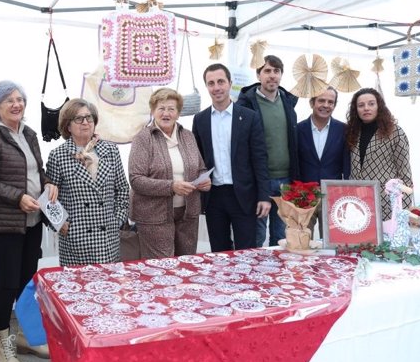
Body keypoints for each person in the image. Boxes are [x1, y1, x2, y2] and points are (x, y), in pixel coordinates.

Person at [0, 80, 58, 362]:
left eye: (20, 99)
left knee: (25, 284)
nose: (16, 104)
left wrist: (48, 184)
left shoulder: (29, 133)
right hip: (4, 224)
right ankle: (1, 346)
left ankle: (24, 337)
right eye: (9, 100)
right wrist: (16, 197)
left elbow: (36, 171)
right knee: (7, 285)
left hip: (32, 221)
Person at [193, 64, 271, 252]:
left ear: (230, 83)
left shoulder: (249, 117)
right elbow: (197, 159)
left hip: (244, 195)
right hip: (214, 197)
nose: (216, 87)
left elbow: (260, 158)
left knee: (247, 252)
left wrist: (264, 196)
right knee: (219, 252)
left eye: (221, 81)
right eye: (211, 83)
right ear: (206, 87)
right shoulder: (200, 119)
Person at [128, 88, 210, 259]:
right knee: (161, 268)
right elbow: (136, 180)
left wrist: (205, 180)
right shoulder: (143, 138)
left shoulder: (187, 136)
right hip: (154, 217)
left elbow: (200, 167)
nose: (166, 113)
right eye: (161, 108)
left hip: (188, 215)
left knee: (186, 265)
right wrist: (172, 186)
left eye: (171, 109)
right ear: (153, 111)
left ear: (178, 113)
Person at [46, 98, 130, 265]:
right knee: (78, 287)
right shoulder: (58, 155)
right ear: (68, 126)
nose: (85, 122)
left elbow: (122, 190)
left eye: (89, 117)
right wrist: (61, 223)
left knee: (108, 287)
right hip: (76, 239)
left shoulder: (110, 150)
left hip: (107, 237)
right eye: (79, 118)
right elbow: (48, 197)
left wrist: (117, 220)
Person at [237, 54, 299, 247]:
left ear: (281, 75)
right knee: (256, 235)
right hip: (259, 181)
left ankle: (277, 276)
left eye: (276, 71)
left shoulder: (288, 103)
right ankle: (255, 276)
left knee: (280, 238)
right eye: (267, 71)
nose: (272, 75)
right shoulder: (246, 105)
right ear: (258, 75)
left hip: (285, 182)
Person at [346, 87, 413, 219]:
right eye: (361, 105)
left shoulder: (395, 133)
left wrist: (401, 210)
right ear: (356, 110)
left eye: (371, 104)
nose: (366, 108)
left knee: (385, 240)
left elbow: (405, 173)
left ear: (379, 106)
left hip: (386, 203)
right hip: (357, 202)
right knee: (361, 239)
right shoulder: (352, 132)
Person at [297, 86, 350, 238]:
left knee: (331, 242)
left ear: (334, 105)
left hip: (333, 195)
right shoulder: (298, 129)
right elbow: (295, 162)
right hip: (304, 196)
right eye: (321, 100)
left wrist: (345, 193)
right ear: (312, 102)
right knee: (303, 241)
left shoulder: (343, 130)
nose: (326, 105)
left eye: (330, 102)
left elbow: (346, 164)